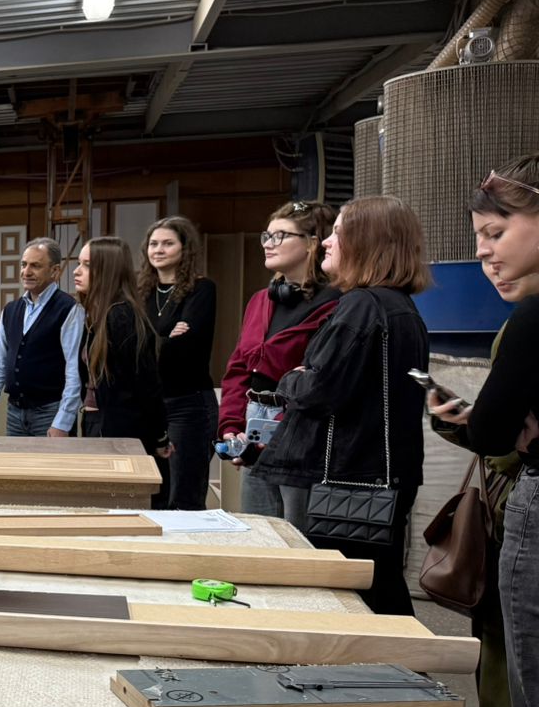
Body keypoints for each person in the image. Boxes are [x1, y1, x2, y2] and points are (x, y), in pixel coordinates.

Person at [430, 158, 539, 707]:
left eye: (497, 233)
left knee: (531, 705)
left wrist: (484, 423)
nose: (485, 252)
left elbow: (497, 430)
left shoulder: (532, 319)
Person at [254, 196, 430, 617]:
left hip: (347, 479)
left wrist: (291, 378)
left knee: (347, 599)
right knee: (378, 589)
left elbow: (320, 390)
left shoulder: (362, 305)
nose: (327, 242)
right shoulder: (401, 308)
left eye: (337, 232)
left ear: (368, 242)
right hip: (379, 477)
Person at [218, 201, 341, 527]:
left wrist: (279, 432)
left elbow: (319, 380)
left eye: (280, 236)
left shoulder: (336, 304)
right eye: (266, 236)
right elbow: (238, 369)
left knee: (297, 532)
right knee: (259, 529)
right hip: (254, 422)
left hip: (300, 428)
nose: (268, 244)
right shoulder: (261, 300)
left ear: (312, 243)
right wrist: (231, 427)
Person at [140, 216, 218, 508]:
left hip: (188, 404)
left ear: (185, 249)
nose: (158, 250)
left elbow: (184, 351)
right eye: (153, 244)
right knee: (153, 497)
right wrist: (165, 338)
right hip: (150, 406)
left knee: (184, 497)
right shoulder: (141, 292)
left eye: (168, 243)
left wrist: (152, 342)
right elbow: (131, 348)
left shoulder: (202, 289)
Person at [0, 237, 85, 438]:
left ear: (55, 271)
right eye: (24, 264)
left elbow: (74, 370)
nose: (26, 272)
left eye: (35, 266)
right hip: (14, 413)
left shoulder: (69, 309)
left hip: (51, 413)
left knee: (50, 461)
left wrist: (63, 421)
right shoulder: (10, 310)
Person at [73, 237, 170, 457]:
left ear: (107, 271)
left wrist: (159, 435)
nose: (76, 271)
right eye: (79, 263)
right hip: (95, 421)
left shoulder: (121, 316)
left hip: (122, 429)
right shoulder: (96, 315)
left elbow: (146, 384)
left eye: (87, 265)